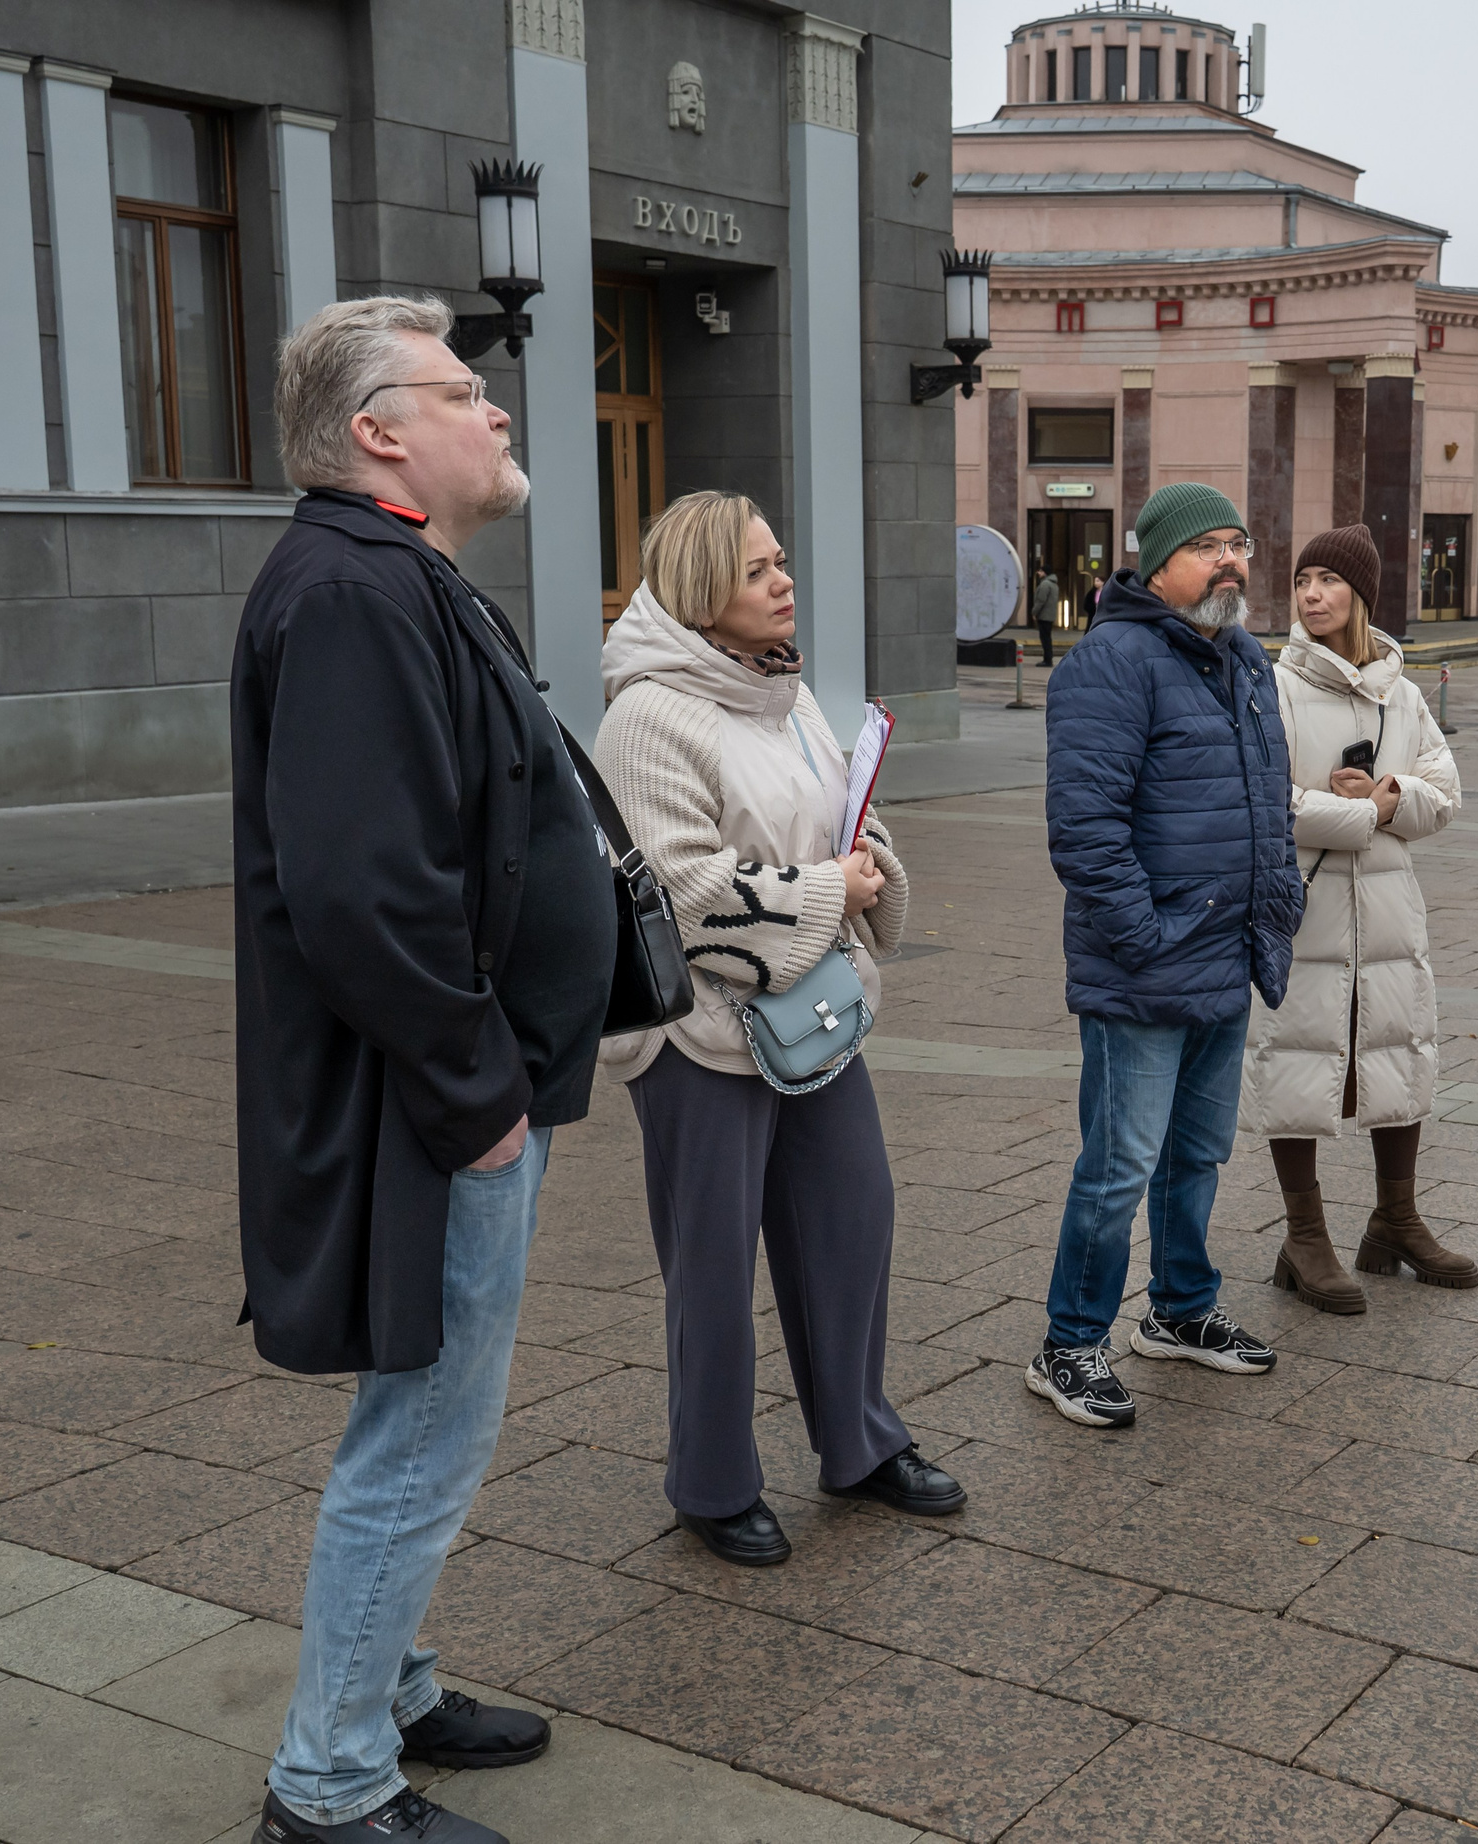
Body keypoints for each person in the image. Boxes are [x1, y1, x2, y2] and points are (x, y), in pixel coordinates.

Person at [233, 296, 614, 1844]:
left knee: (427, 1419)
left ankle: (386, 1689)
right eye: (465, 391)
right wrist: (482, 1105)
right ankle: (326, 1787)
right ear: (379, 433)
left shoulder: (391, 577)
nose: (499, 409)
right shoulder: (348, 594)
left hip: (442, 1096)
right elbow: (360, 891)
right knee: (420, 1437)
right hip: (428, 1108)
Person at [594, 490, 961, 1560]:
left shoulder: (783, 691)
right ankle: (709, 1480)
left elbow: (847, 814)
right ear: (705, 588)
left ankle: (858, 1442)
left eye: (781, 561)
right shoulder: (648, 715)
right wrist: (828, 890)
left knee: (853, 1217)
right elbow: (685, 892)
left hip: (809, 1014)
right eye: (758, 570)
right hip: (701, 1036)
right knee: (710, 1262)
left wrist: (864, 859)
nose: (783, 581)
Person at [1026, 483, 1303, 1427]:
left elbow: (1269, 801)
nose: (1230, 562)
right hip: (1145, 964)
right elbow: (1085, 828)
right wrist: (1142, 935)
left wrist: (1277, 904)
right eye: (1208, 547)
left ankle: (1180, 1311)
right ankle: (1070, 1343)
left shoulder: (1245, 658)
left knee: (1198, 1153)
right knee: (1119, 1163)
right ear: (1155, 560)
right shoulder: (1111, 662)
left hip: (1226, 952)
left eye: (1240, 543)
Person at [1241, 525, 1473, 1313]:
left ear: (1360, 594)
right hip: (1303, 907)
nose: (1311, 595)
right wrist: (1350, 815)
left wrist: (1390, 798)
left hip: (1385, 907)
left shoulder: (1401, 693)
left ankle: (1395, 1220)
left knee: (1396, 1050)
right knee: (1298, 1057)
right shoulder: (1270, 686)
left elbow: (1446, 794)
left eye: (1328, 581)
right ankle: (1303, 1236)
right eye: (1302, 580)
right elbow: (1258, 801)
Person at [1030, 557, 1061, 667]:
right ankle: (1048, 658)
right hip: (1050, 615)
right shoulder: (1053, 584)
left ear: (1045, 572)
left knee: (1045, 639)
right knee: (1047, 637)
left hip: (1044, 615)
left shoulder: (1045, 584)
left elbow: (1040, 600)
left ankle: (1047, 660)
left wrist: (1034, 612)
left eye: (1040, 571)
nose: (1038, 573)